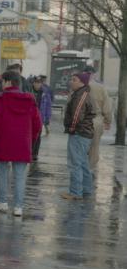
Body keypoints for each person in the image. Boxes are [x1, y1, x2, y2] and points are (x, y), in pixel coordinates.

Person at [0, 71, 42, 218]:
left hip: (3, 141)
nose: (1, 85)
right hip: (22, 142)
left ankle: (2, 203)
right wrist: (32, 140)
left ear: (8, 82)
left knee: (2, 171)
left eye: (2, 82)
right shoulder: (30, 101)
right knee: (20, 175)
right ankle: (18, 208)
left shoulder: (0, 100)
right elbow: (37, 124)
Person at [61, 73, 95, 201]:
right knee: (83, 163)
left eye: (74, 80)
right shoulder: (81, 93)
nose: (71, 81)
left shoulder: (81, 96)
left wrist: (71, 128)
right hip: (84, 133)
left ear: (82, 82)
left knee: (75, 163)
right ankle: (86, 190)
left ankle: (75, 192)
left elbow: (77, 116)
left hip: (79, 133)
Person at [84, 66, 112, 171]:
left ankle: (80, 170)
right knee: (94, 148)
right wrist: (108, 121)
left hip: (81, 121)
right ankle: (89, 170)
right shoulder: (101, 88)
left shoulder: (78, 86)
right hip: (96, 120)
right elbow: (107, 108)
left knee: (80, 147)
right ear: (94, 74)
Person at [31, 77, 52, 161]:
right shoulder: (29, 91)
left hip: (40, 117)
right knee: (29, 135)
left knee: (37, 136)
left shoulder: (45, 93)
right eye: (36, 82)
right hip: (30, 117)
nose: (37, 84)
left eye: (39, 83)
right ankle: (29, 151)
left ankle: (35, 153)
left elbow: (48, 106)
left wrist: (47, 118)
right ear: (33, 83)